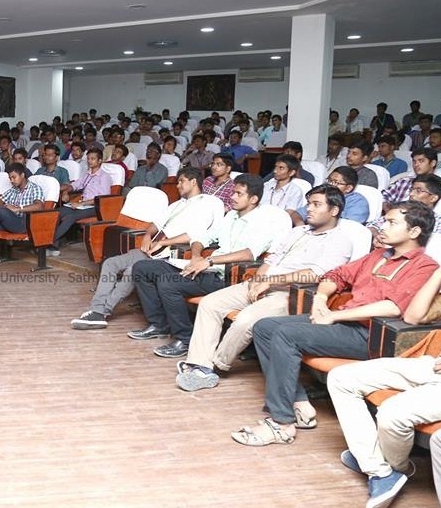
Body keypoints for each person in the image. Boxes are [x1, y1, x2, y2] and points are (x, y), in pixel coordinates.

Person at [231, 201, 439, 447]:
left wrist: (333, 316)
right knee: (265, 327)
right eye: (385, 220)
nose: (383, 227)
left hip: (372, 335)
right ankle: (298, 403)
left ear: (414, 232)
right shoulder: (377, 256)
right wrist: (320, 298)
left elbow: (394, 307)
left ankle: (281, 424)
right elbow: (336, 275)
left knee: (286, 334)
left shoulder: (424, 266)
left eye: (392, 222)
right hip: (343, 322)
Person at [176, 185, 352, 391]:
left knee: (245, 320)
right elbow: (273, 258)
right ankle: (200, 363)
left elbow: (315, 274)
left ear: (334, 210)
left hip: (292, 294)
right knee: (210, 303)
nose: (309, 209)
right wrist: (259, 280)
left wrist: (270, 281)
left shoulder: (340, 241)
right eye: (308, 204)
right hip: (263, 284)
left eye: (316, 204)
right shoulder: (298, 231)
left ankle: (214, 366)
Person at [326, 268, 441, 508]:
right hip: (434, 366)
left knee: (392, 412)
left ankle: (384, 469)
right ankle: (381, 468)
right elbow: (413, 316)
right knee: (341, 378)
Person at [128, 174, 276, 358]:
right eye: (233, 192)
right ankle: (159, 325)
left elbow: (249, 253)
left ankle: (186, 339)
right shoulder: (231, 216)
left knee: (168, 283)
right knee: (143, 268)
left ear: (253, 199)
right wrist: (197, 256)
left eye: (239, 194)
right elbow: (202, 238)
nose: (233, 197)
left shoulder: (264, 221)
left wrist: (209, 261)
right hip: (206, 267)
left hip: (227, 276)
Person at [70, 167, 222, 330]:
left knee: (133, 269)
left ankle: (102, 313)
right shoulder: (177, 204)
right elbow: (155, 224)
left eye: (181, 181)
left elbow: (196, 234)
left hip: (173, 252)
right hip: (154, 249)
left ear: (193, 182)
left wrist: (163, 242)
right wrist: (148, 236)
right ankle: (97, 308)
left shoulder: (208, 203)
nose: (177, 185)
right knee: (110, 263)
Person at [49, 149, 112, 254]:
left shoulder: (104, 177)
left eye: (93, 159)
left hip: (96, 207)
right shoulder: (87, 174)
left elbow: (102, 198)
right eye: (88, 159)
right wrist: (65, 192)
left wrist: (81, 204)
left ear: (100, 160)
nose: (89, 161)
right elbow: (74, 185)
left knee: (70, 217)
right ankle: (53, 242)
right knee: (57, 212)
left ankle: (48, 241)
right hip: (82, 205)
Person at [288, 166, 370, 225]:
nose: (330, 184)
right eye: (329, 180)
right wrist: (300, 226)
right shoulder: (322, 196)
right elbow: (297, 214)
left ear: (348, 188)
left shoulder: (357, 202)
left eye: (335, 182)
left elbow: (350, 226)